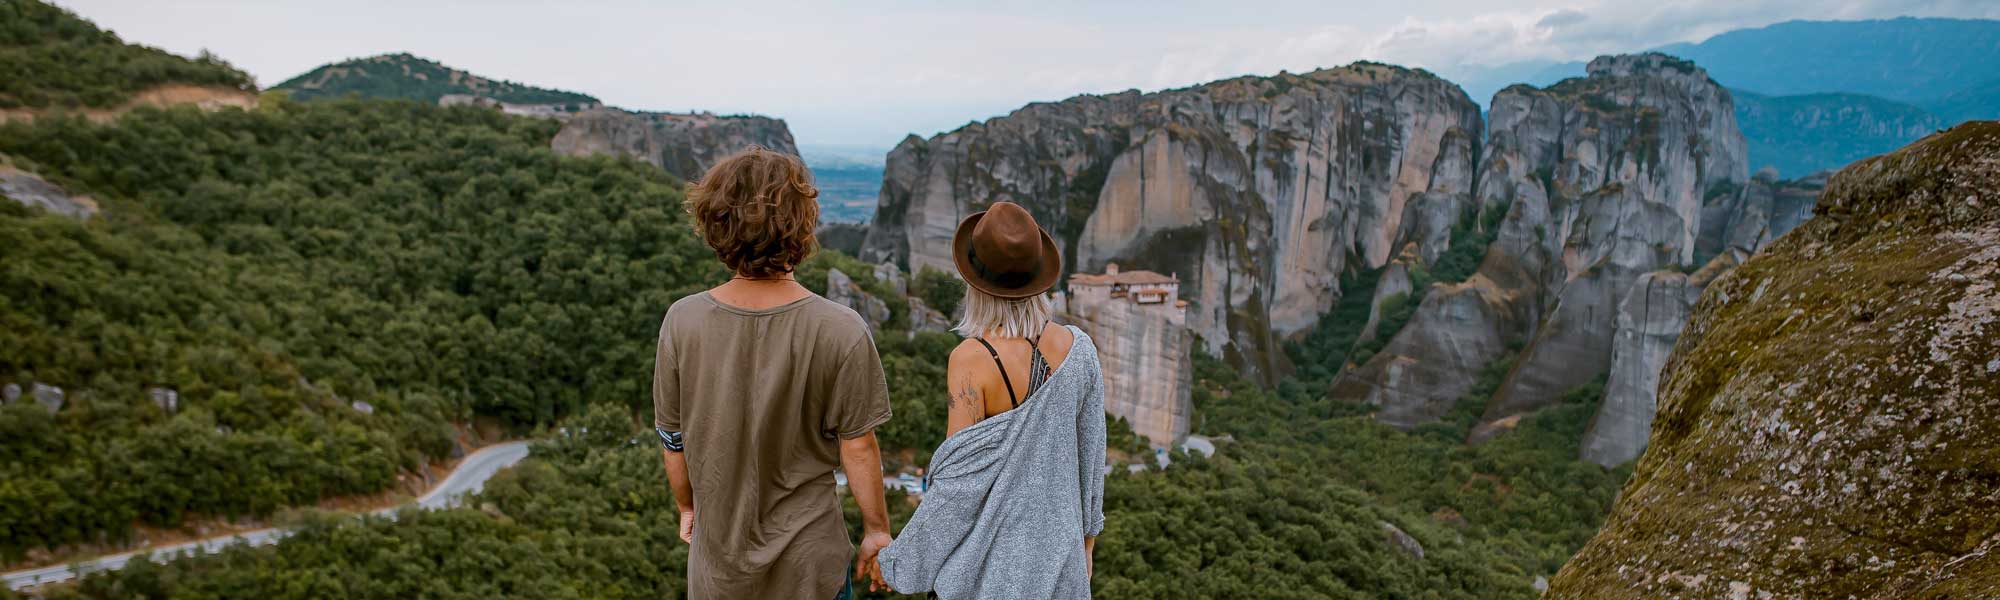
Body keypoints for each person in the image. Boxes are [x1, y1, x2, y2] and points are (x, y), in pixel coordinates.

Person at [654, 146, 894, 599]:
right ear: (802, 226)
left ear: (714, 224)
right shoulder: (841, 329)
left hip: (717, 571)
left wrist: (687, 505)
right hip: (810, 567)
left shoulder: (681, 321)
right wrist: (876, 530)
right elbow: (858, 446)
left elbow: (673, 440)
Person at [877, 201, 1108, 599]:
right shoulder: (1081, 350)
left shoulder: (972, 359)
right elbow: (1092, 459)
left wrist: (899, 563)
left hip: (987, 573)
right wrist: (1086, 547)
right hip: (1060, 569)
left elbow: (956, 489)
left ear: (975, 283)